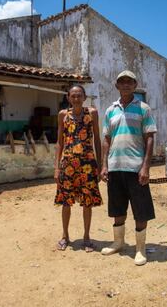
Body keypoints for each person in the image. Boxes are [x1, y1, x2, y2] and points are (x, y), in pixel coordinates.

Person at [100, 70, 157, 265]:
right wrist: (104, 165)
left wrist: (146, 167)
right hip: (115, 168)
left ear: (135, 85)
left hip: (136, 168)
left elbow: (149, 138)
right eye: (122, 82)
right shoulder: (110, 110)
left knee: (141, 210)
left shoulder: (143, 108)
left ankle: (140, 249)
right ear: (117, 86)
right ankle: (118, 242)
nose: (125, 85)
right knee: (117, 208)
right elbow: (106, 139)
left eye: (129, 82)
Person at [54, 85, 103, 252]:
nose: (76, 98)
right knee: (65, 202)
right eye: (73, 96)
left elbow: (97, 139)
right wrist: (56, 167)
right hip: (67, 165)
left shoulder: (92, 113)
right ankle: (65, 236)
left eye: (79, 95)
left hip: (88, 165)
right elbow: (60, 142)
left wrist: (100, 165)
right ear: (68, 97)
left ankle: (87, 237)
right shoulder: (63, 115)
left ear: (84, 97)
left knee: (87, 202)